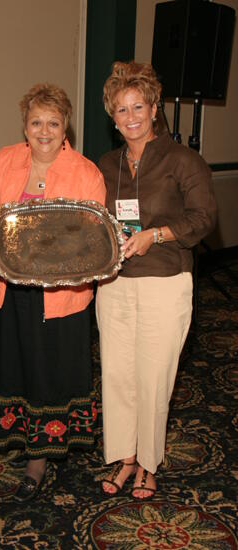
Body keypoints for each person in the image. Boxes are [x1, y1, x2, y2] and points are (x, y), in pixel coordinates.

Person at [0, 83, 106, 501]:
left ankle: (39, 459)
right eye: (35, 122)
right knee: (17, 366)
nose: (44, 131)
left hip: (61, 295)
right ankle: (26, 437)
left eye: (53, 122)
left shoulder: (85, 172)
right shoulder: (5, 161)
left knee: (50, 372)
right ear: (24, 127)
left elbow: (94, 237)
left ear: (65, 127)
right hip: (10, 291)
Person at [95, 61, 217, 500]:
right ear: (112, 116)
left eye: (138, 107)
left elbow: (204, 218)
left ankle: (149, 461)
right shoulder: (106, 165)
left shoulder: (182, 159)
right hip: (113, 285)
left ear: (153, 108)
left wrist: (157, 234)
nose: (130, 117)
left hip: (165, 280)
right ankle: (125, 457)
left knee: (154, 375)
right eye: (121, 110)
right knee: (117, 374)